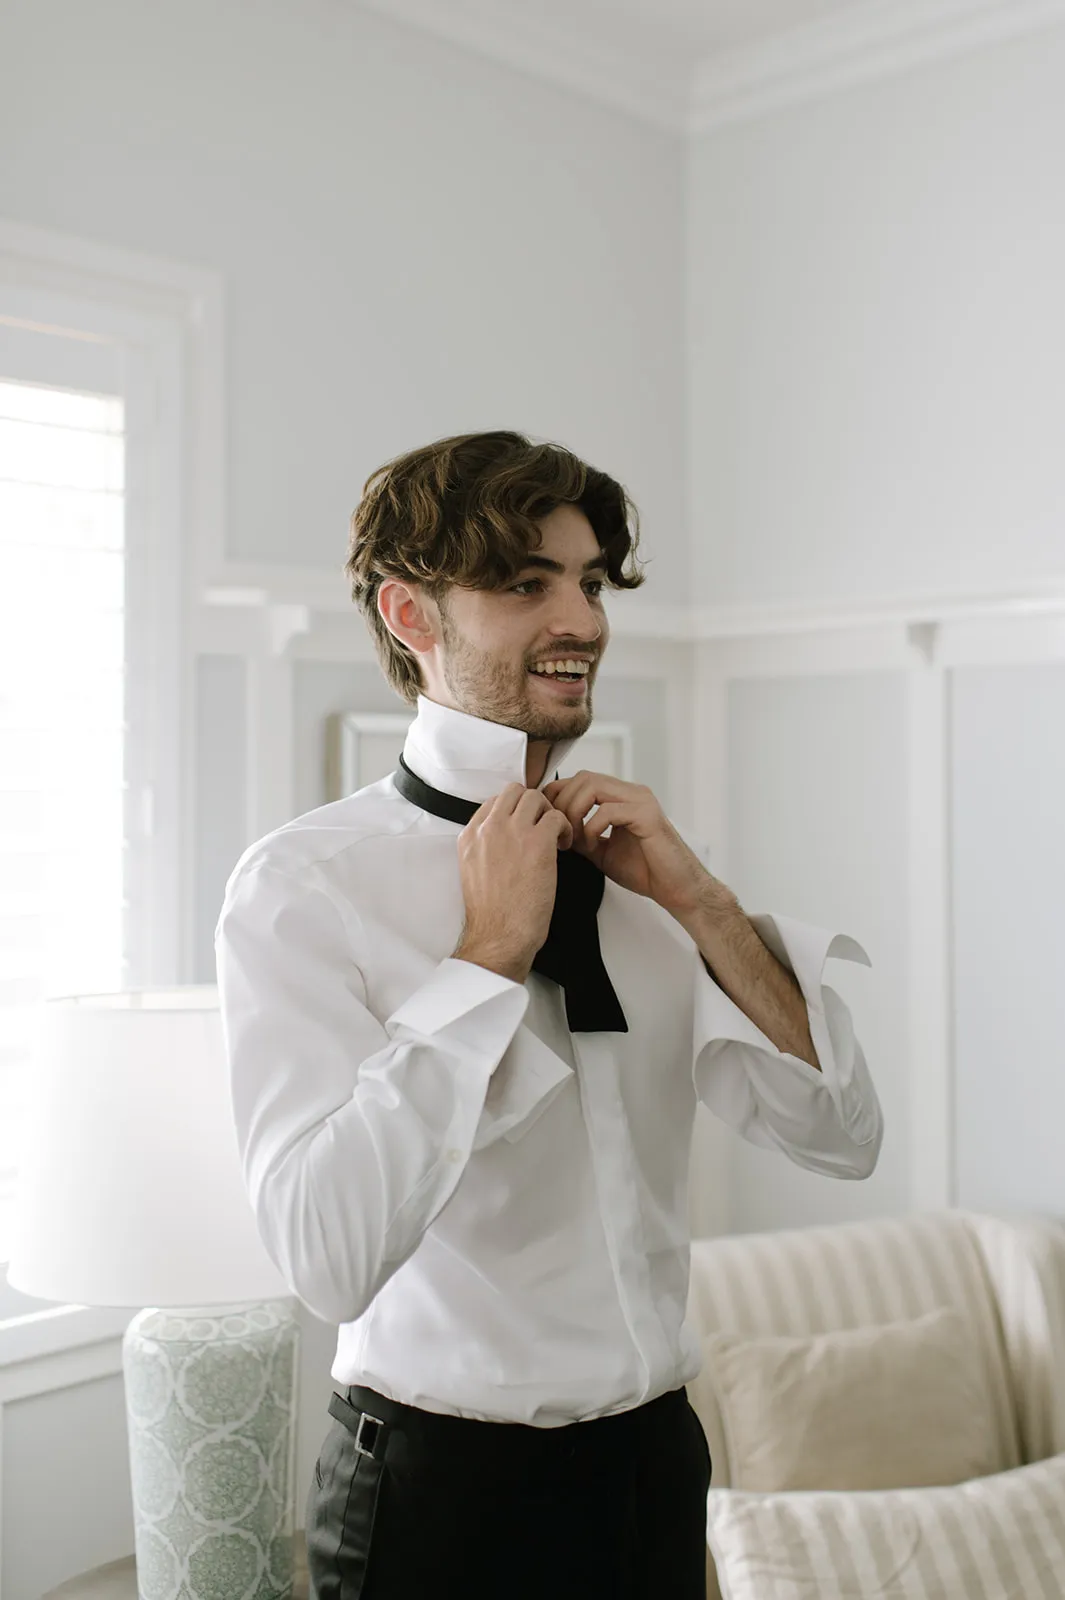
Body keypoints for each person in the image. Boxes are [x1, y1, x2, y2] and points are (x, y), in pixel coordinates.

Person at [214, 430, 883, 1600]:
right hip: (441, 1499)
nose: (581, 618)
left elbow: (841, 1136)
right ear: (412, 615)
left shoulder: (646, 869)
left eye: (587, 580)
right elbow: (326, 1256)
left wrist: (706, 903)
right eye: (525, 583)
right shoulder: (300, 887)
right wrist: (484, 959)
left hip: (656, 1470)